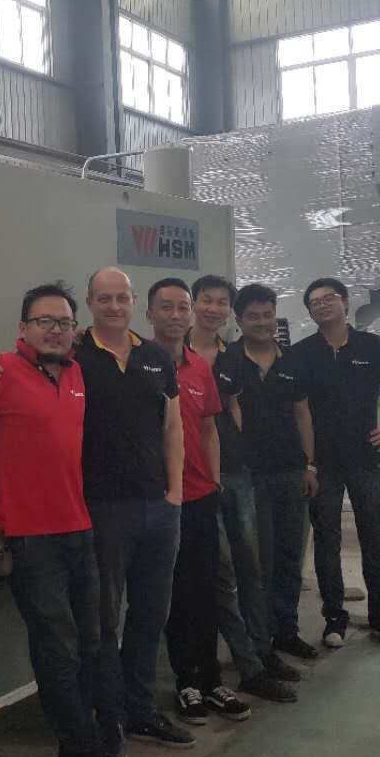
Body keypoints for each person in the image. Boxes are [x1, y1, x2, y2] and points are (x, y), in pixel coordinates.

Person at [0, 267, 194, 757]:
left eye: (122, 298)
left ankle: (133, 713)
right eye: (104, 298)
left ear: (133, 303)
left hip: (139, 511)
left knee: (139, 619)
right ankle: (97, 734)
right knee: (86, 634)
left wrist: (175, 495)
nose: (114, 306)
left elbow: (172, 426)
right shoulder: (67, 360)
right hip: (89, 516)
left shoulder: (136, 360)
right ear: (91, 307)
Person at [0, 282, 142, 757]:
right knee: (59, 653)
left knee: (92, 646)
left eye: (63, 322)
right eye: (43, 321)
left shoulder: (76, 375)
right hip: (29, 539)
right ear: (22, 328)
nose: (54, 330)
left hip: (79, 529)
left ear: (75, 330)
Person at [290, 277, 380, 650]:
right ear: (310, 312)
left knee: (373, 540)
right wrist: (308, 462)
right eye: (314, 302)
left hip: (365, 460)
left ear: (346, 303)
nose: (322, 305)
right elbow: (298, 410)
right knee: (326, 542)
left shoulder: (373, 347)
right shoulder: (302, 353)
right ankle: (334, 619)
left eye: (329, 298)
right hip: (323, 465)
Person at [188, 276, 302, 701]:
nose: (213, 309)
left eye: (221, 302)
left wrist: (240, 457)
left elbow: (233, 409)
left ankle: (262, 652)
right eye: (206, 301)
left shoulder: (231, 357)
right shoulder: (169, 355)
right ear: (194, 304)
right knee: (221, 576)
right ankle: (247, 665)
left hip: (237, 476)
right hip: (195, 480)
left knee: (251, 571)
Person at [148, 277, 249, 724]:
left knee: (207, 589)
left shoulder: (199, 368)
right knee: (175, 594)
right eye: (165, 307)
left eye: (181, 307)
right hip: (159, 500)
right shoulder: (139, 364)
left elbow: (209, 427)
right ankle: (185, 681)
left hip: (201, 496)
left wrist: (213, 480)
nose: (175, 315)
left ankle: (211, 680)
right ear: (149, 314)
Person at [230, 283, 320, 663]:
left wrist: (309, 465)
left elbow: (302, 414)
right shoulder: (229, 360)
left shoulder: (292, 361)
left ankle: (287, 631)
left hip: (291, 474)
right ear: (239, 320)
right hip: (250, 478)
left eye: (267, 315)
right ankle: (261, 640)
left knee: (289, 557)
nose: (262, 322)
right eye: (253, 316)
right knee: (259, 563)